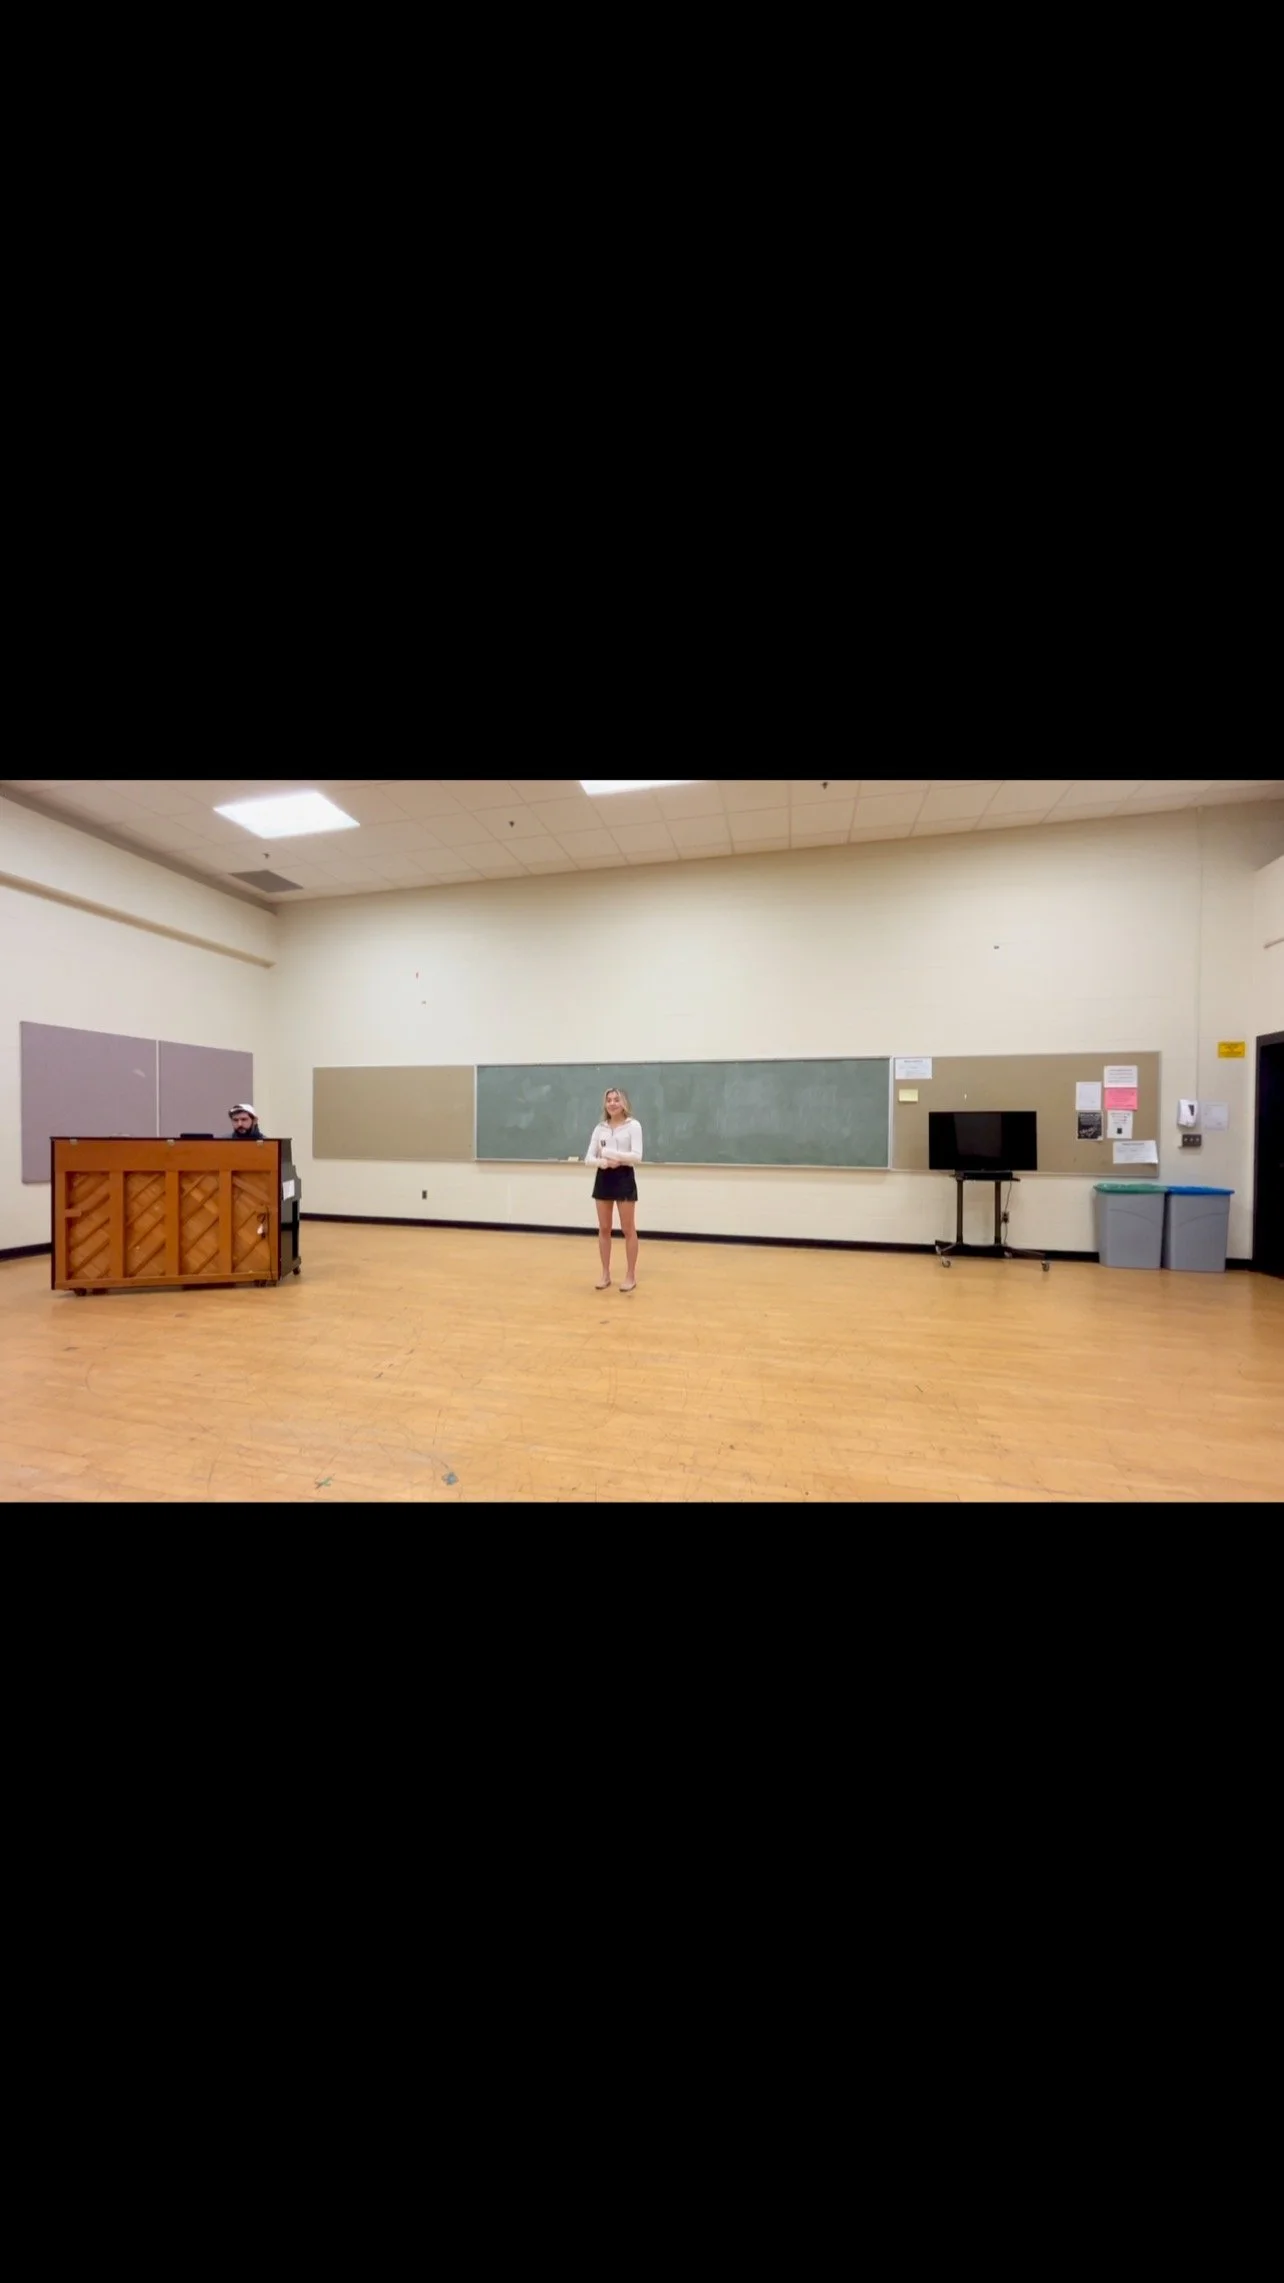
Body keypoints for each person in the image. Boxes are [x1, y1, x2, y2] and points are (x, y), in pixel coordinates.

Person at [585, 1087, 643, 1292]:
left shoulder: (633, 1125)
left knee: (628, 1228)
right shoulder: (600, 1128)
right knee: (604, 1228)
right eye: (608, 1100)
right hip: (604, 1177)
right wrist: (604, 1162)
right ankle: (605, 1274)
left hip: (624, 1177)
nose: (612, 1103)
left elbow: (637, 1156)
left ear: (624, 1103)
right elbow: (588, 1158)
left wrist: (612, 1154)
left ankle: (630, 1275)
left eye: (616, 1099)